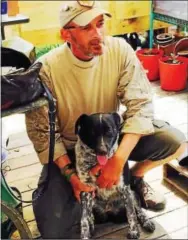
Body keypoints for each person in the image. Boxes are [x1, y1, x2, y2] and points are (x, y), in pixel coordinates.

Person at [25, 1, 188, 238]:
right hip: (70, 150)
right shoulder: (46, 69)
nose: (98, 34)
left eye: (100, 24)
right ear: (65, 34)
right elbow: (42, 133)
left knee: (176, 141)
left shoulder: (120, 50)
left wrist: (117, 160)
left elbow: (140, 106)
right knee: (53, 228)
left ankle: (135, 179)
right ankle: (84, 192)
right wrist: (71, 176)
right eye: (85, 27)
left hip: (112, 140)